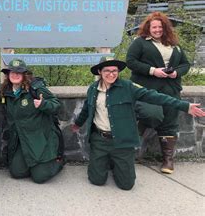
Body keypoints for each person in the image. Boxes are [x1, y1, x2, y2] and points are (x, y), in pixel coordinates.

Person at [72, 56, 204, 190]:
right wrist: (77, 124)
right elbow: (87, 109)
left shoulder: (128, 87)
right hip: (99, 140)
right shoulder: (93, 89)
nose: (111, 74)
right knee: (97, 180)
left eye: (115, 71)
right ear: (100, 71)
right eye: (107, 71)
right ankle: (105, 162)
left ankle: (116, 164)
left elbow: (156, 97)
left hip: (122, 142)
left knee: (126, 185)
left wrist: (184, 106)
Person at [0, 59, 64, 184]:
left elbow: (57, 105)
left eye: (19, 72)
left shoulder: (35, 88)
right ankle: (35, 164)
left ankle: (58, 161)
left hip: (40, 138)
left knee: (40, 177)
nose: (15, 75)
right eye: (12, 72)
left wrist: (43, 104)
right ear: (8, 74)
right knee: (16, 172)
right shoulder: (6, 91)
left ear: (24, 75)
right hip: (22, 139)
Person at [126, 12, 191, 174]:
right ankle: (132, 145)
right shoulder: (140, 43)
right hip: (148, 88)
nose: (157, 30)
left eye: (160, 27)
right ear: (148, 28)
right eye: (154, 27)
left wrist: (176, 73)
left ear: (165, 28)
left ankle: (168, 160)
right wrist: (153, 71)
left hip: (171, 88)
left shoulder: (174, 44)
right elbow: (130, 62)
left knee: (170, 122)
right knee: (152, 114)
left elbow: (186, 64)